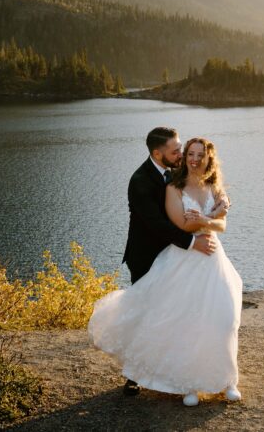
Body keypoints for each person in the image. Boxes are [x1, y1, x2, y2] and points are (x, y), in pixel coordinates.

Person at [89, 130, 243, 407]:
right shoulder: (141, 180)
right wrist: (194, 238)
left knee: (210, 314)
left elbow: (219, 220)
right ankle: (136, 374)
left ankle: (217, 374)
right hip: (148, 253)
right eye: (177, 151)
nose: (183, 155)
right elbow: (157, 223)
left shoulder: (184, 175)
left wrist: (216, 213)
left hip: (195, 250)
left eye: (184, 150)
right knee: (148, 311)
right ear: (158, 153)